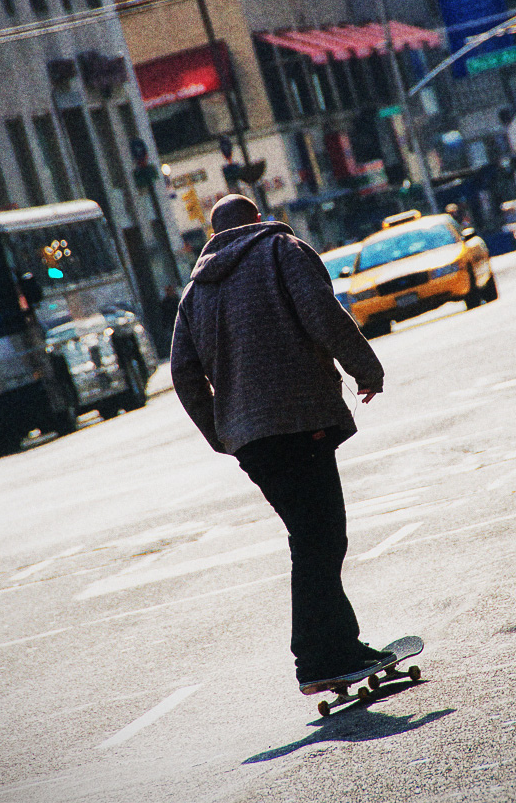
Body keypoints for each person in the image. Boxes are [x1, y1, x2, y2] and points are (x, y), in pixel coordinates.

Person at [170, 194, 396, 689]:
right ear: (256, 219)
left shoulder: (194, 292)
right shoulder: (281, 250)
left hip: (251, 440)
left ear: (213, 234)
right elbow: (323, 313)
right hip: (300, 422)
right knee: (321, 538)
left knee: (311, 539)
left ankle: (335, 648)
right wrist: (366, 368)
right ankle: (318, 657)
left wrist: (223, 432)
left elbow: (183, 374)